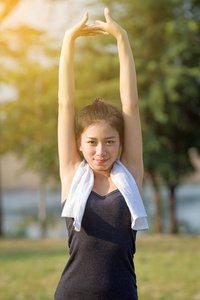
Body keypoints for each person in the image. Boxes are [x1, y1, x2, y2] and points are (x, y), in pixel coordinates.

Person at [54, 8, 148, 300]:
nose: (100, 151)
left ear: (121, 142)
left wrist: (122, 40)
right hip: (71, 293)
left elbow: (130, 104)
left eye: (109, 142)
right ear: (79, 144)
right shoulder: (72, 175)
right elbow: (64, 104)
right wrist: (69, 41)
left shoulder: (129, 174)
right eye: (92, 142)